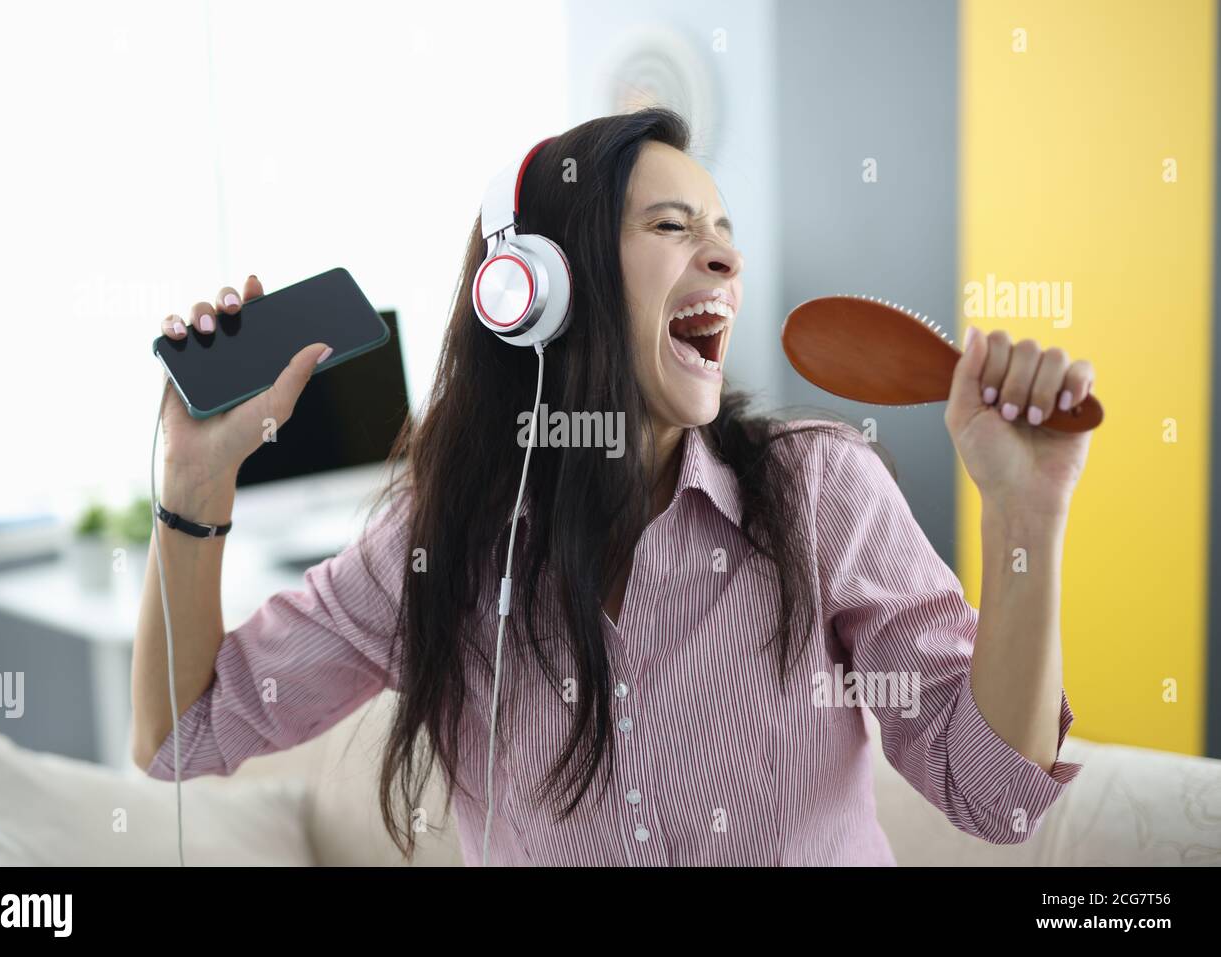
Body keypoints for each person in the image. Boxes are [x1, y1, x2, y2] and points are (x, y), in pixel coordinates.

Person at [132, 107, 1095, 866]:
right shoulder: (436, 547)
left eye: (724, 234)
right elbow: (181, 735)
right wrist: (193, 480)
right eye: (674, 228)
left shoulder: (817, 491)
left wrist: (1025, 512)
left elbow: (997, 793)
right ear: (539, 289)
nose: (725, 257)